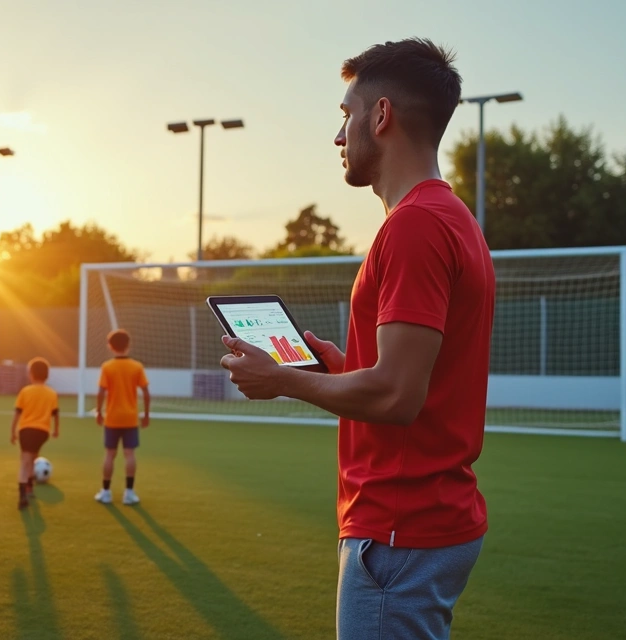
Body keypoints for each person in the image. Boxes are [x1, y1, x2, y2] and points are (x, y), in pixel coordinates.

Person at [219, 38, 493, 640]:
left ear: (382, 115)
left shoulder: (415, 227)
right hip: (424, 520)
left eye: (346, 115)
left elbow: (398, 397)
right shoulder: (452, 220)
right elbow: (411, 375)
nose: (339, 136)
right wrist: (338, 368)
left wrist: (283, 380)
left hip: (400, 525)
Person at [94, 329, 150, 506]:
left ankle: (105, 492)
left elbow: (101, 391)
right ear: (128, 345)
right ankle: (129, 493)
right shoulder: (137, 366)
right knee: (129, 454)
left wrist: (99, 411)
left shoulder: (107, 367)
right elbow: (146, 392)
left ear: (110, 346)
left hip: (112, 418)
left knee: (110, 454)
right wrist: (146, 414)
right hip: (130, 418)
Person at [10, 357, 60, 509]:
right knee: (33, 457)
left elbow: (18, 413)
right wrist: (56, 430)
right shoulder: (51, 393)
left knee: (25, 461)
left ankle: (22, 495)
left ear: (30, 374)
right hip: (42, 432)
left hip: (26, 430)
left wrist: (12, 431)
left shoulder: (25, 391)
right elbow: (55, 414)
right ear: (47, 375)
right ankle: (30, 487)